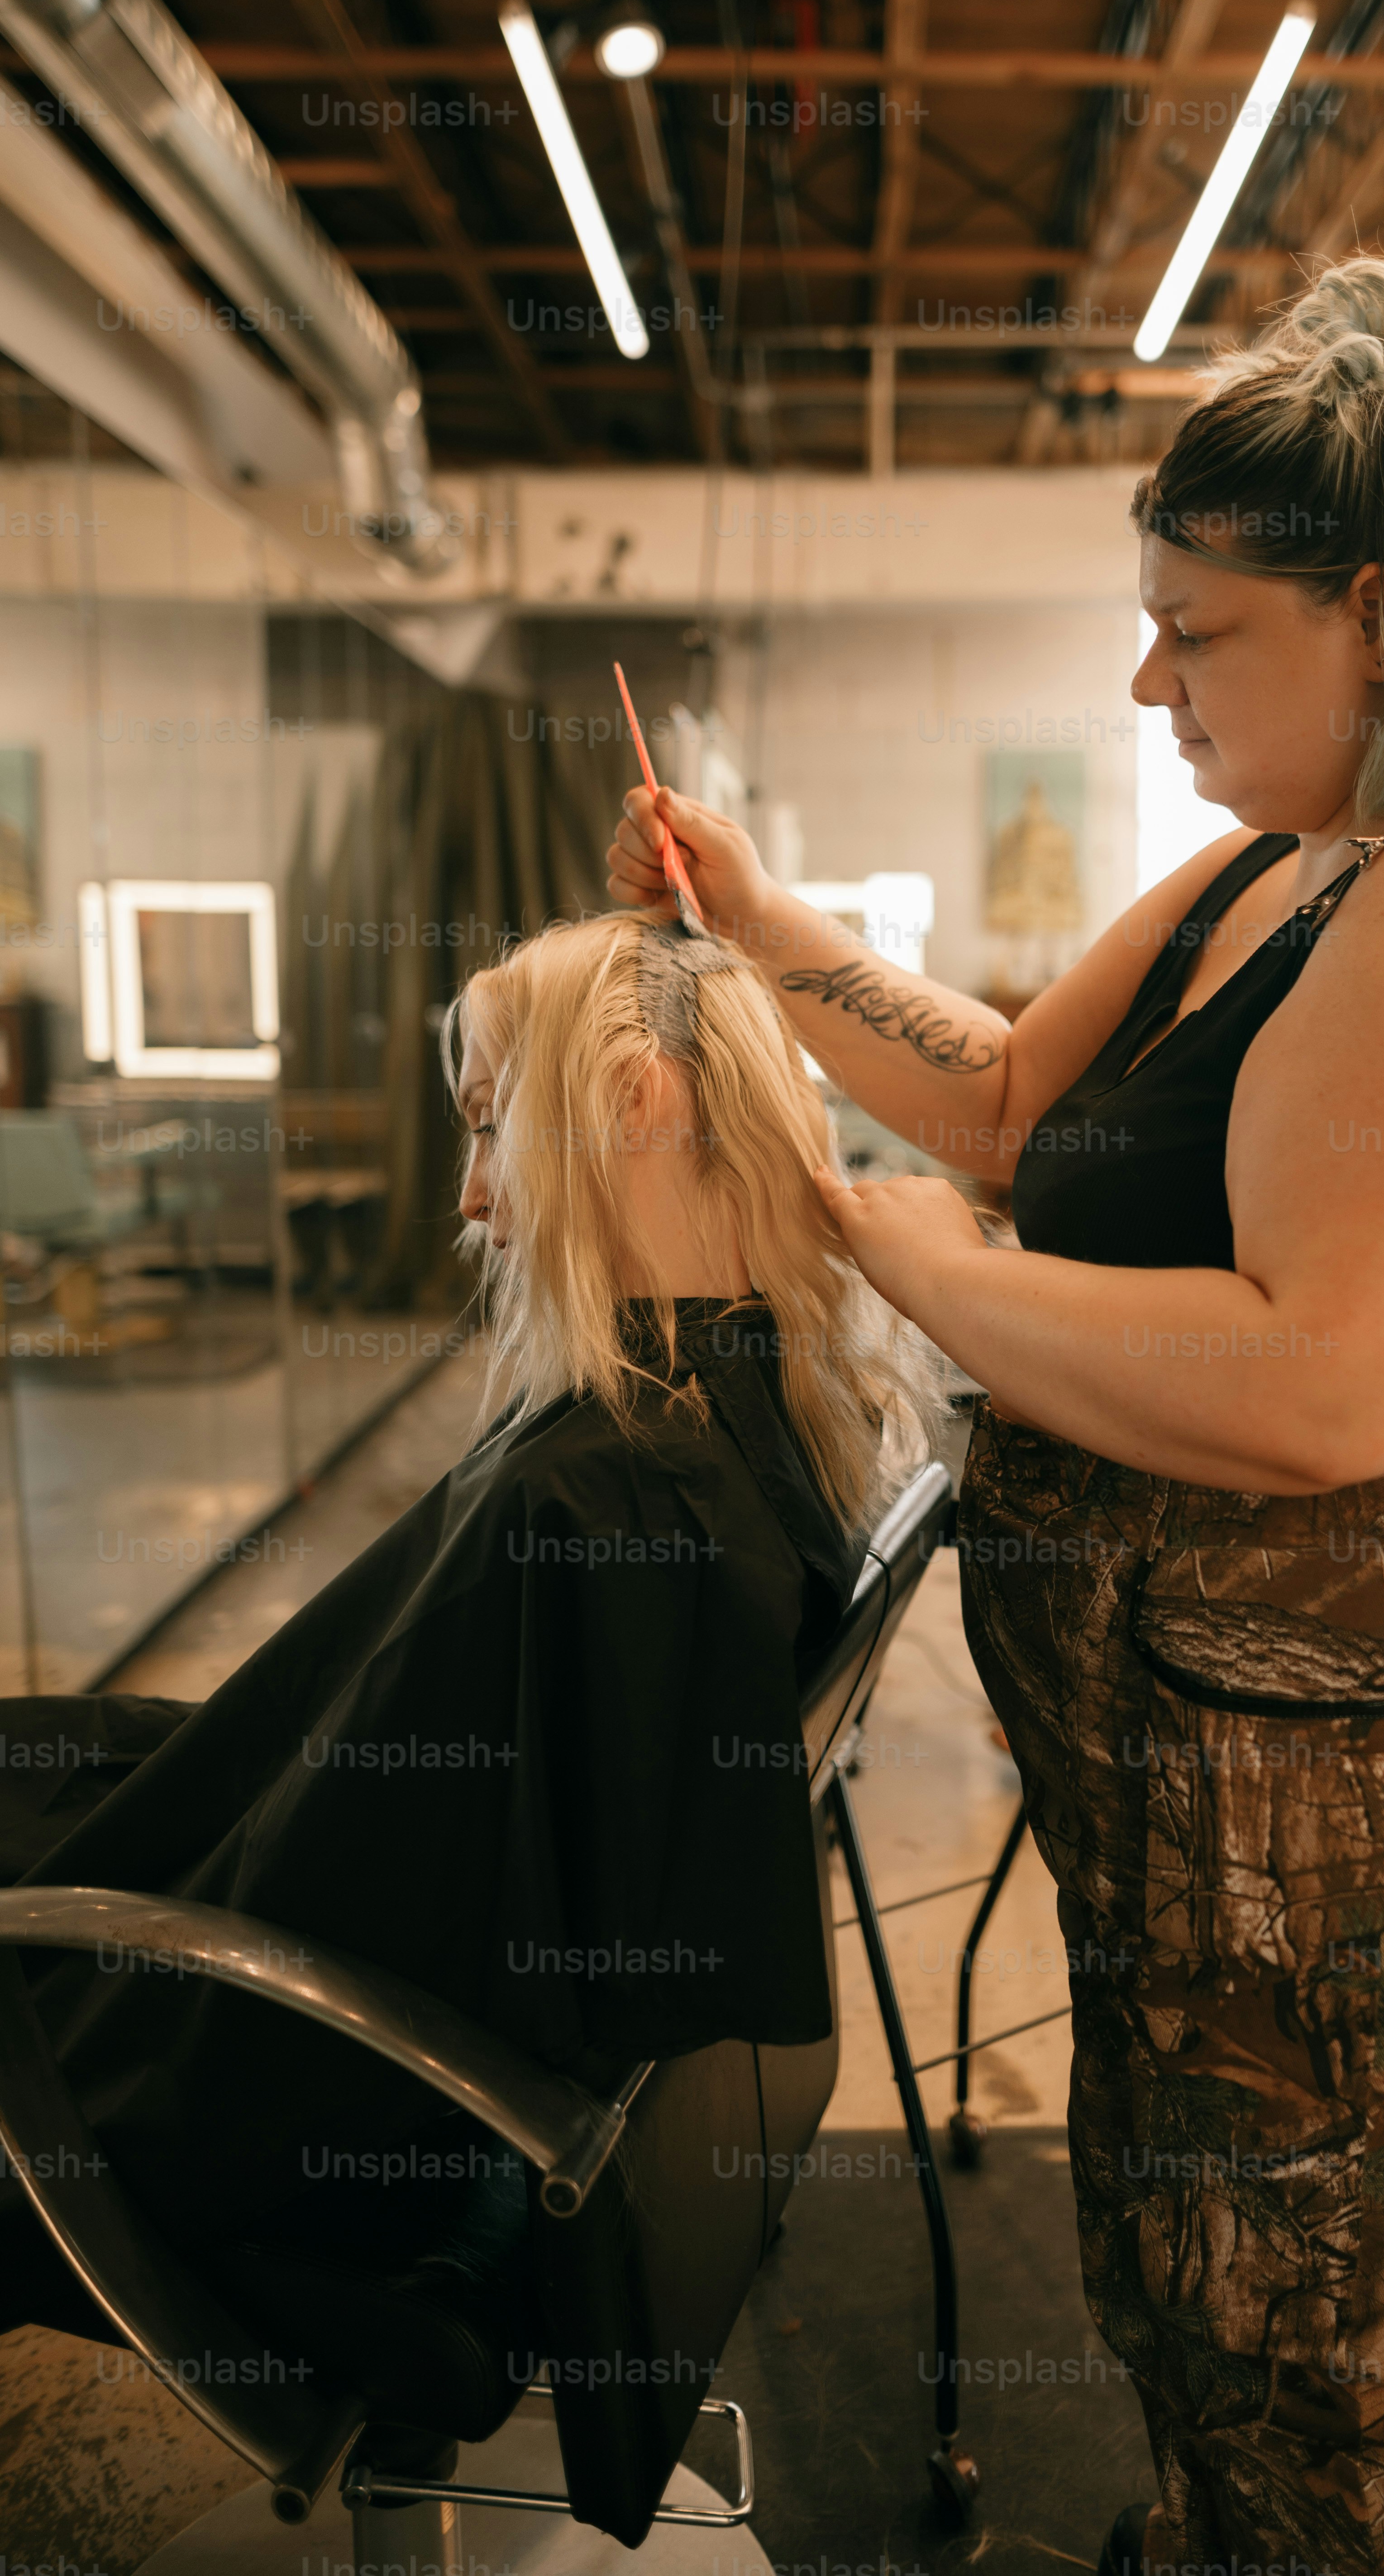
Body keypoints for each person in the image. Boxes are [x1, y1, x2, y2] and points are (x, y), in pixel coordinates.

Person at [606, 256, 1384, 2576]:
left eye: (1196, 633)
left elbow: (1328, 1388)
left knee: (1334, 2287)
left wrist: (888, 1249)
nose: (1151, 677)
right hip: (1220, 1738)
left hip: (1363, 1753)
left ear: (1378, 617)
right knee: (1214, 2230)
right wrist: (762, 914)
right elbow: (1013, 1097)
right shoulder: (1277, 867)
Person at [0, 910, 931, 2310]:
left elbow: (364, 1909)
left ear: (631, 1103)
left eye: (492, 1130)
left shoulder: (602, 1494)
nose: (471, 1199)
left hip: (218, 2112)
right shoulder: (747, 1420)